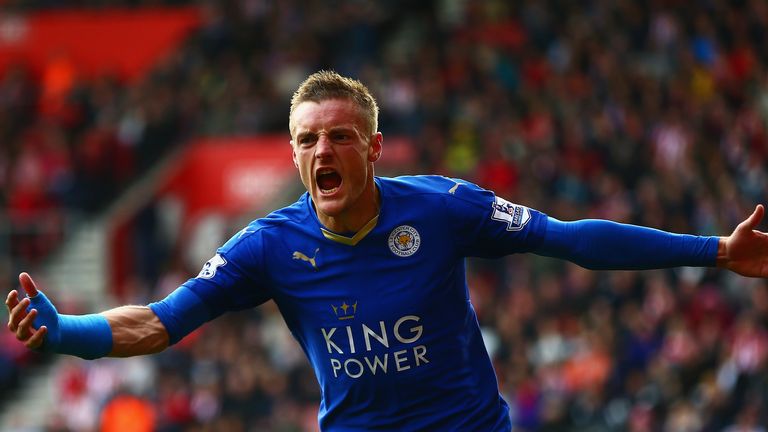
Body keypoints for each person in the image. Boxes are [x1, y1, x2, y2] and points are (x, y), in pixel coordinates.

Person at [6, 70, 768, 431]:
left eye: (339, 135)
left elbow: (570, 242)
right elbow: (161, 323)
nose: (322, 150)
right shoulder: (268, 246)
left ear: (372, 147)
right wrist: (65, 332)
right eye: (308, 139)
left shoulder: (442, 207)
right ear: (295, 156)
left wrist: (712, 250)